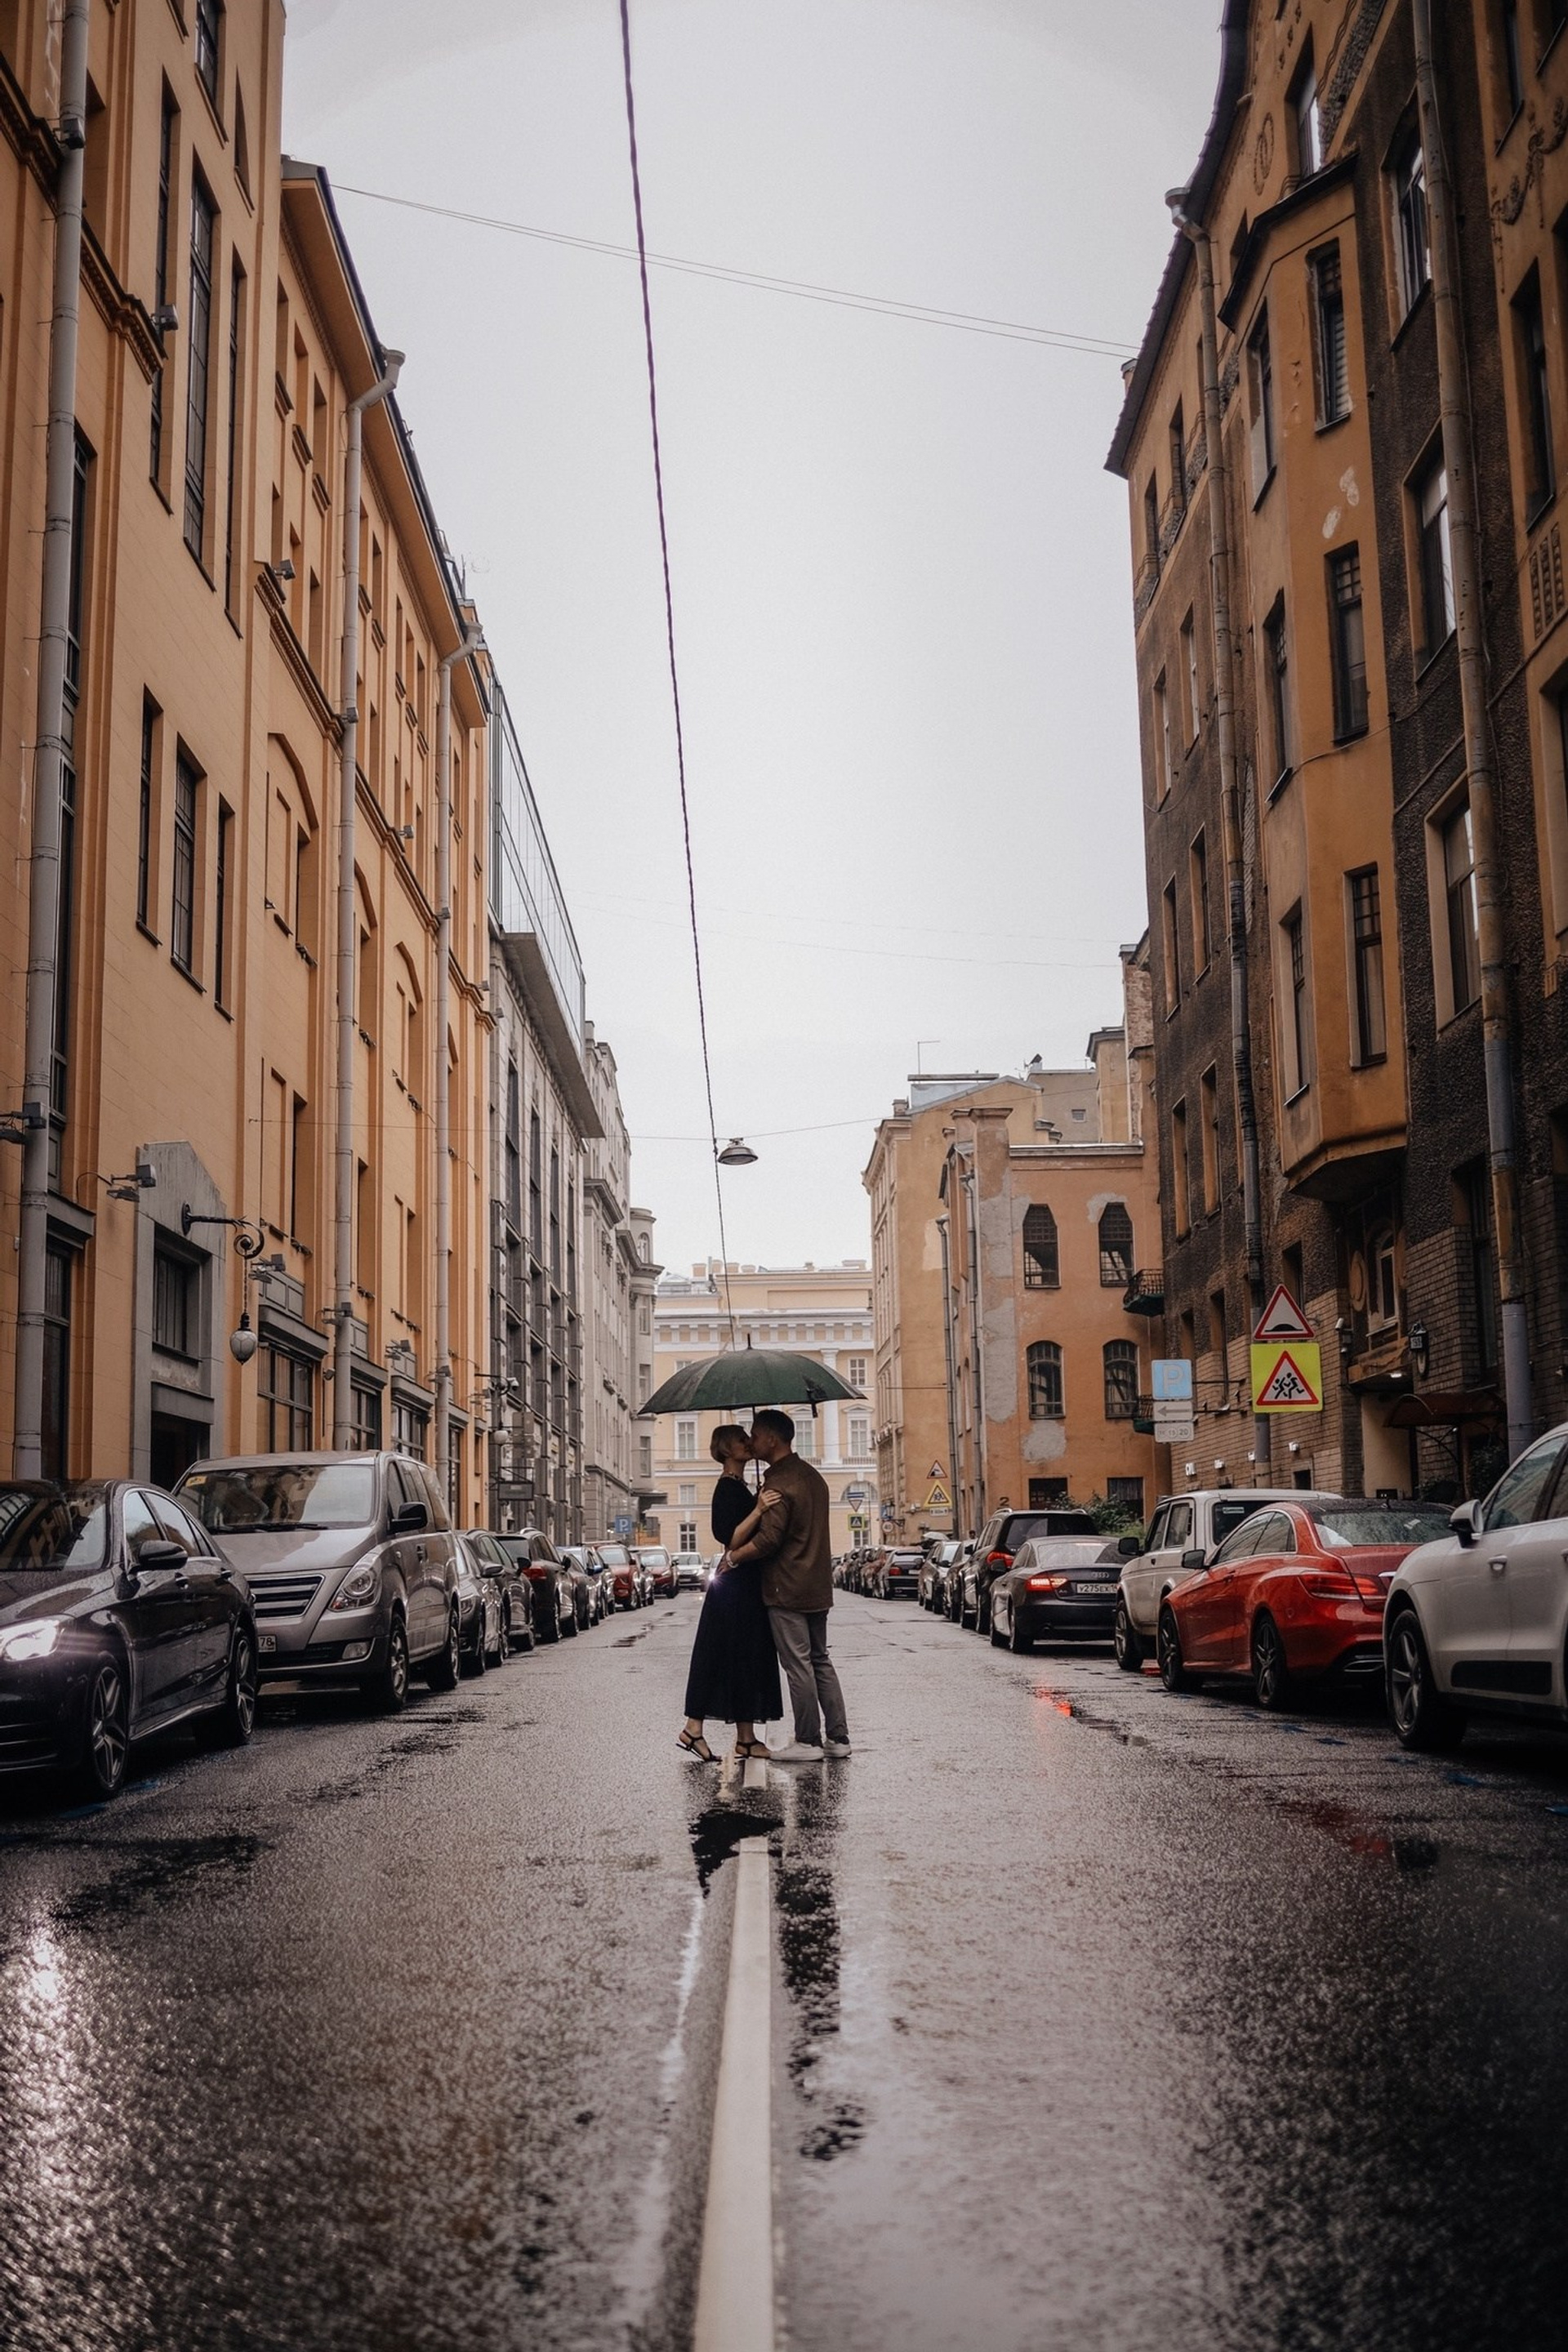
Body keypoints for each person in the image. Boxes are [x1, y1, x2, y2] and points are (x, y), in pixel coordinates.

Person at [726, 1407, 850, 1762]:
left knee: (798, 1665)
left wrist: (734, 1558)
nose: (751, 1441)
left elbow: (769, 1541)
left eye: (755, 1434)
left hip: (786, 1587)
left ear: (772, 1439)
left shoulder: (779, 1482)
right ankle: (838, 1739)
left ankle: (808, 1740)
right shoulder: (813, 1477)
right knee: (820, 1660)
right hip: (816, 1585)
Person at [677, 1426, 783, 1762]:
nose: (748, 1442)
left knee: (738, 1658)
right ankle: (705, 1731)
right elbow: (730, 1539)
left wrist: (757, 1498)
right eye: (741, 1439)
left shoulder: (739, 1486)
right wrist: (759, 1508)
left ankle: (740, 1737)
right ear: (726, 1448)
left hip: (743, 1584)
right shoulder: (726, 1488)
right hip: (735, 1588)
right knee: (727, 1655)